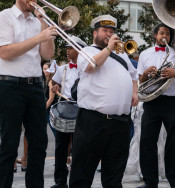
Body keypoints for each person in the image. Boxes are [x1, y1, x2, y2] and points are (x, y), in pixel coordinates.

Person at [69, 14, 139, 188]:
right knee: (83, 171)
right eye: (104, 31)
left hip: (120, 121)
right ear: (95, 33)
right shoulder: (86, 51)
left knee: (115, 173)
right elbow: (91, 66)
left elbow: (133, 75)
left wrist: (135, 92)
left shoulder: (121, 55)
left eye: (111, 31)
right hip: (93, 120)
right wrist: (108, 48)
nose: (108, 34)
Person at [0, 0, 57, 187]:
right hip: (9, 86)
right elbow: (5, 53)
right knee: (9, 144)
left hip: (34, 87)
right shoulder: (5, 17)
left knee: (39, 144)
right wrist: (37, 38)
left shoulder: (37, 21)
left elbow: (48, 54)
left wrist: (44, 27)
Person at [137, 23, 175, 188]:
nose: (165, 36)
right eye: (162, 33)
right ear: (155, 35)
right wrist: (146, 74)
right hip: (151, 102)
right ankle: (150, 181)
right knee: (147, 141)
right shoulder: (145, 54)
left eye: (168, 34)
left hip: (171, 101)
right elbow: (140, 81)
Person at [50, 36, 87, 188]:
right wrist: (54, 87)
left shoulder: (86, 68)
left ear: (79, 50)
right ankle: (60, 182)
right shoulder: (63, 68)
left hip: (82, 109)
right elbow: (54, 82)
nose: (67, 51)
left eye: (70, 48)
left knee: (79, 148)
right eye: (67, 48)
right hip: (65, 109)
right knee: (60, 148)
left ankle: (77, 182)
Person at [43, 60, 59, 136]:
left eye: (46, 69)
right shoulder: (47, 81)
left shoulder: (50, 83)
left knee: (56, 133)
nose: (44, 71)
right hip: (49, 110)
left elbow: (51, 98)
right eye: (43, 69)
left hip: (51, 111)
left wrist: (43, 109)